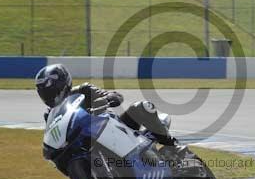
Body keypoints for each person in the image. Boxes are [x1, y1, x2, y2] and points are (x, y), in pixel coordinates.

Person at [35, 63, 186, 155]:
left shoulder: (84, 90)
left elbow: (115, 95)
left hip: (115, 128)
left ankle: (173, 147)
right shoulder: (49, 115)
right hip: (88, 144)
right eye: (45, 92)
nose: (50, 95)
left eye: (52, 90)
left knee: (142, 107)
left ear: (63, 83)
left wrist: (108, 98)